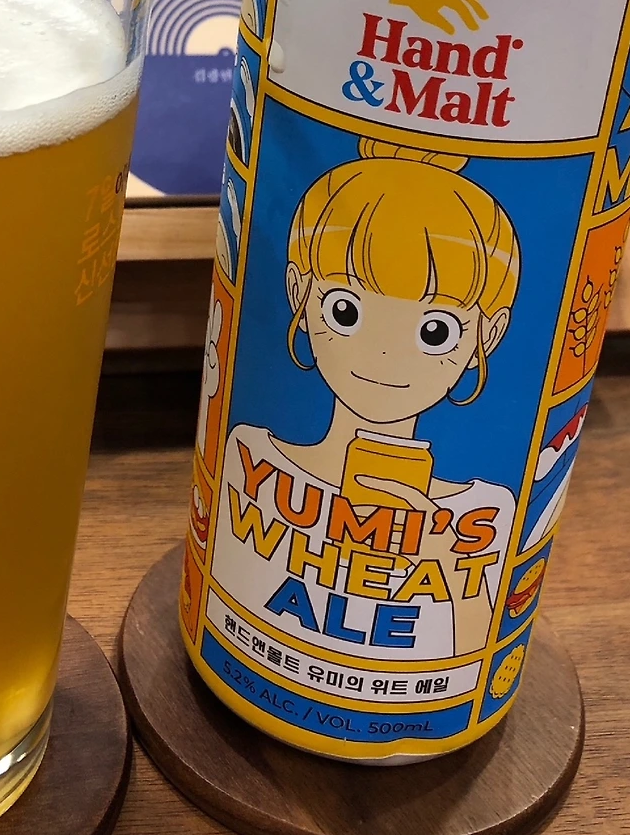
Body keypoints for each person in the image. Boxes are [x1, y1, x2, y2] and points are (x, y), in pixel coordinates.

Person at [222, 138, 520, 656]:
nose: (384, 354)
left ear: (487, 336)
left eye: (435, 331)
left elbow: (473, 663)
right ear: (298, 293)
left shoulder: (484, 512)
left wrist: (446, 561)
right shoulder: (249, 454)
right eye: (345, 310)